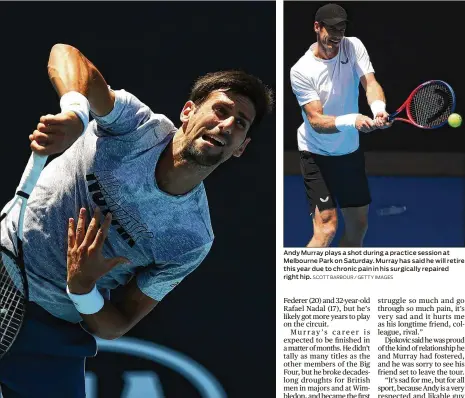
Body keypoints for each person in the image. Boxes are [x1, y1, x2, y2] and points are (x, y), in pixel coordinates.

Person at [0, 43, 273, 397]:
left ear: (240, 147)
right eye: (220, 111)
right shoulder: (135, 127)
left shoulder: (191, 239)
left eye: (239, 124)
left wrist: (83, 288)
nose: (225, 125)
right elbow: (64, 54)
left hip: (52, 334)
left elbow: (116, 324)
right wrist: (74, 116)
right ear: (188, 111)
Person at [290, 3, 391, 248]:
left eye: (341, 29)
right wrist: (353, 120)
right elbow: (316, 121)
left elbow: (371, 83)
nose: (336, 35)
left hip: (349, 152)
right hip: (316, 153)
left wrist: (378, 110)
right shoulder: (301, 70)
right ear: (317, 27)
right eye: (331, 29)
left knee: (358, 227)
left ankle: (339, 281)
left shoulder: (353, 46)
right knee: (326, 227)